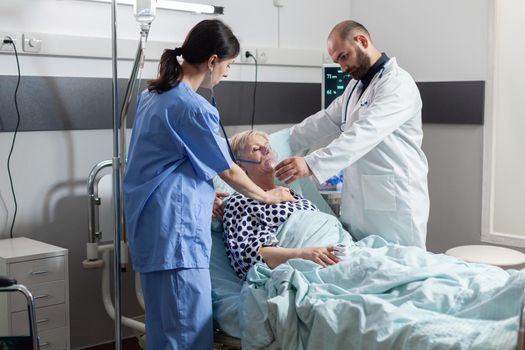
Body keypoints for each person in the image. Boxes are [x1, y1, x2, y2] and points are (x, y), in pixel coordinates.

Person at [123, 20, 294, 350]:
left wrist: (201, 191)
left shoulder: (152, 96)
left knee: (164, 330)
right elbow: (229, 170)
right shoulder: (191, 107)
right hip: (177, 238)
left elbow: (165, 161)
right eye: (228, 65)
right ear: (213, 61)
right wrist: (266, 195)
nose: (227, 74)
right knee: (187, 331)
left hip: (154, 228)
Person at [275, 20, 429, 249]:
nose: (342, 68)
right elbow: (324, 120)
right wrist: (274, 143)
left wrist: (310, 163)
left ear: (362, 41)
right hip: (361, 204)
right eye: (337, 61)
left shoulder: (398, 85)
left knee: (399, 268)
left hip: (395, 204)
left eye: (344, 57)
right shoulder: (356, 88)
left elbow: (363, 134)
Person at [222, 130, 340, 280]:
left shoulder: (290, 193)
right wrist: (305, 255)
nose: (267, 151)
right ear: (240, 166)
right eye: (257, 149)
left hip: (336, 251)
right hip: (308, 264)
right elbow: (248, 256)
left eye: (268, 146)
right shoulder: (240, 201)